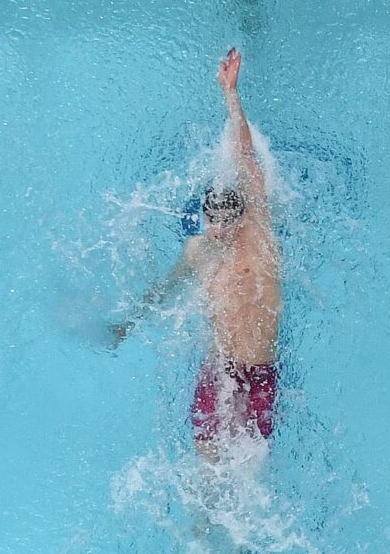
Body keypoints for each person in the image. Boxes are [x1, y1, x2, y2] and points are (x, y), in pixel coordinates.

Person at [113, 48, 283, 460]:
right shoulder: (198, 250)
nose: (221, 229)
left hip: (258, 373)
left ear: (244, 217)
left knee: (249, 471)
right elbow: (165, 290)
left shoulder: (258, 237)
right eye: (213, 220)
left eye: (229, 221)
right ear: (204, 217)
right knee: (206, 465)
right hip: (216, 371)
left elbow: (247, 162)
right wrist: (129, 324)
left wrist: (231, 96)